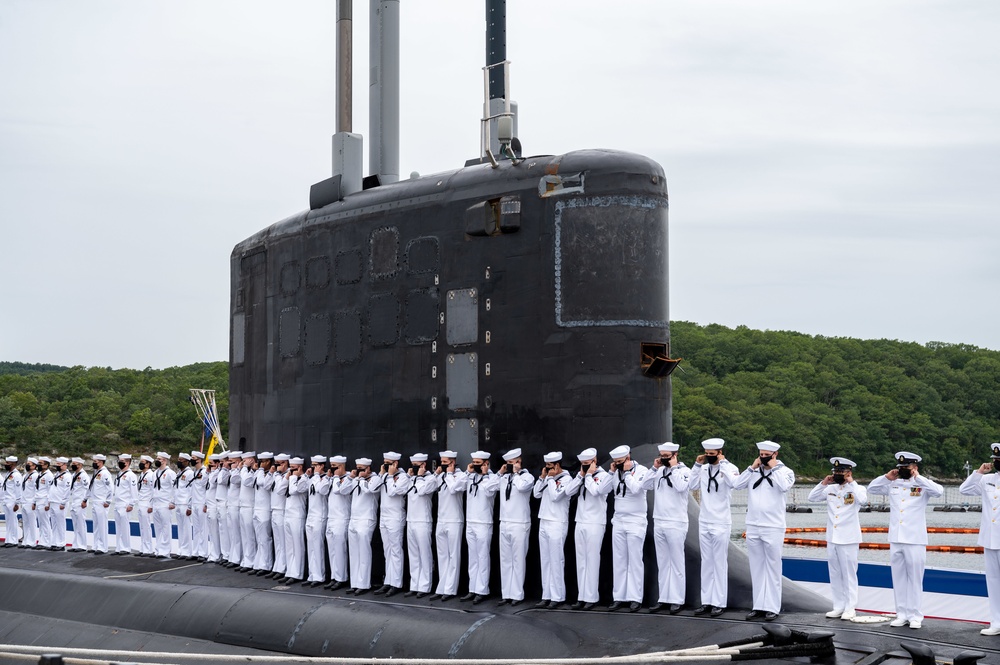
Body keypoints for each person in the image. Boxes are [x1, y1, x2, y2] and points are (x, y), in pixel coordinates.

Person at [868, 451, 943, 629]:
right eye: (900, 467)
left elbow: (939, 491)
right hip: (896, 537)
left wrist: (919, 478)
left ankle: (915, 615)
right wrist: (886, 477)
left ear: (914, 468)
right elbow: (871, 489)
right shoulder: (893, 484)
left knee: (915, 579)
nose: (902, 470)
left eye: (906, 467)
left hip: (915, 539)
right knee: (899, 577)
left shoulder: (922, 485)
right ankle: (901, 613)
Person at [733, 441, 795, 621]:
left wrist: (773, 468)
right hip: (753, 525)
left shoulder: (785, 472)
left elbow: (784, 486)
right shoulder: (754, 471)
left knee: (773, 567)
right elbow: (737, 485)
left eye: (767, 454)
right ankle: (758, 605)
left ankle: (772, 607)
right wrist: (752, 467)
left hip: (773, 526)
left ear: (774, 455)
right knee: (757, 567)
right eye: (761, 454)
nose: (763, 457)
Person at [808, 457, 867, 621]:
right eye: (836, 472)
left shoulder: (857, 489)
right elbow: (812, 498)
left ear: (849, 472)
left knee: (849, 574)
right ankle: (839, 606)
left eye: (841, 472)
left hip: (848, 538)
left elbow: (863, 500)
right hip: (832, 537)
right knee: (835, 573)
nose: (837, 474)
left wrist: (852, 483)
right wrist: (823, 482)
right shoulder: (830, 489)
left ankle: (850, 607)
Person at [688, 438, 740, 617]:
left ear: (720, 452)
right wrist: (696, 465)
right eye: (707, 454)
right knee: (707, 563)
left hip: (721, 521)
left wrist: (723, 463)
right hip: (705, 520)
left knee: (719, 563)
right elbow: (691, 485)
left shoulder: (729, 468)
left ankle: (719, 602)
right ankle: (707, 601)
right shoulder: (703, 469)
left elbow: (735, 484)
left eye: (712, 454)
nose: (709, 457)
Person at [640, 442, 691, 613]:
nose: (663, 459)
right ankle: (664, 598)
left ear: (675, 455)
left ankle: (677, 599)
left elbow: (681, 487)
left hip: (676, 521)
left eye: (666, 456)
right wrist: (654, 469)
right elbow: (644, 486)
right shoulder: (659, 471)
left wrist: (674, 468)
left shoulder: (684, 471)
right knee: (663, 562)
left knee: (676, 562)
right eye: (662, 456)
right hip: (660, 520)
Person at [960, 443, 1000, 636]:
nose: (996, 462)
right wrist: (978, 472)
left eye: (998, 460)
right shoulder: (988, 479)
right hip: (990, 538)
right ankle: (996, 622)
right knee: (993, 582)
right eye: (995, 460)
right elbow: (964, 490)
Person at [565, 448, 612, 610]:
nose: (585, 467)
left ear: (595, 461)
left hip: (595, 522)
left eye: (587, 464)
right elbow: (568, 491)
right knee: (581, 561)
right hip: (581, 521)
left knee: (592, 560)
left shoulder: (605, 476)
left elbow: (596, 491)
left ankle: (591, 597)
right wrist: (581, 476)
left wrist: (590, 475)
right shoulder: (583, 476)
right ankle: (582, 596)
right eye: (583, 464)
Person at [607, 445, 648, 612]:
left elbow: (637, 489)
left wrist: (628, 473)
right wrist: (612, 473)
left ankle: (635, 598)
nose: (617, 464)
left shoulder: (641, 471)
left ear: (628, 458)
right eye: (615, 462)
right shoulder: (615, 472)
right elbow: (602, 490)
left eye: (620, 462)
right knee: (619, 560)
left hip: (636, 521)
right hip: (619, 520)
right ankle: (619, 596)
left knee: (635, 560)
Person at [534, 451, 574, 609]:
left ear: (557, 465)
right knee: (545, 560)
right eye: (546, 466)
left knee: (556, 560)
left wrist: (550, 479)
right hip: (544, 520)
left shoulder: (567, 479)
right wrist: (543, 477)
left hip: (557, 522)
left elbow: (556, 496)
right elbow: (536, 494)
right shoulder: (548, 478)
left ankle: (557, 596)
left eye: (550, 466)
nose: (547, 468)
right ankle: (546, 595)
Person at [497, 448, 534, 606]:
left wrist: (517, 473)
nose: (510, 466)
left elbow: (521, 488)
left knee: (518, 560)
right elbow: (489, 488)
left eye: (513, 463)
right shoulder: (504, 478)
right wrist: (500, 473)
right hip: (504, 522)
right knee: (505, 560)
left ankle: (517, 594)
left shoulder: (527, 477)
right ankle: (507, 593)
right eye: (508, 464)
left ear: (519, 462)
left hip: (519, 522)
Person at [429, 450, 466, 601]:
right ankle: (442, 586)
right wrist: (436, 474)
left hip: (454, 519)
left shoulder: (461, 476)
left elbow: (453, 489)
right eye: (441, 462)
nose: (441, 465)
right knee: (442, 555)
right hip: (442, 519)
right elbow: (427, 488)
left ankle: (450, 589)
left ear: (452, 462)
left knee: (453, 555)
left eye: (444, 462)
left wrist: (449, 474)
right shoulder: (441, 476)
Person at [463, 450, 499, 604]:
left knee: (483, 557)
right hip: (470, 521)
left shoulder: (492, 479)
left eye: (478, 463)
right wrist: (467, 471)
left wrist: (485, 474)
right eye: (474, 463)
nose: (475, 466)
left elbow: (489, 492)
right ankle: (473, 588)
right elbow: (456, 486)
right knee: (473, 558)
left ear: (486, 463)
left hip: (484, 522)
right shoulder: (470, 477)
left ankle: (482, 589)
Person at [374, 451, 407, 596]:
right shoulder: (384, 477)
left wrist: (391, 476)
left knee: (396, 551)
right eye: (384, 462)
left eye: (388, 463)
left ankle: (396, 583)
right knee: (387, 551)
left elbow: (393, 492)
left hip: (395, 517)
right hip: (384, 517)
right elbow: (373, 489)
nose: (385, 465)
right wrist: (382, 475)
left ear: (395, 464)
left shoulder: (403, 477)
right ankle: (388, 580)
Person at [345, 457, 380, 594]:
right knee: (354, 553)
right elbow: (343, 491)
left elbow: (369, 490)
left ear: (368, 468)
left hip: (366, 519)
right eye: (358, 468)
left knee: (364, 552)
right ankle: (355, 582)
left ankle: (364, 583)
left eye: (362, 468)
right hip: (354, 518)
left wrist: (362, 478)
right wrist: (352, 478)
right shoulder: (355, 479)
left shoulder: (375, 479)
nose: (359, 471)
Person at [404, 453, 436, 597]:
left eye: (417, 466)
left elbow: (422, 491)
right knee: (414, 555)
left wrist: (418, 477)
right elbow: (401, 490)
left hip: (423, 520)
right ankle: (414, 584)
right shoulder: (411, 478)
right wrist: (409, 476)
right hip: (411, 519)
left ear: (423, 465)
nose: (414, 468)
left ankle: (424, 586)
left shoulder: (431, 479)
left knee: (424, 554)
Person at [324, 455, 352, 589]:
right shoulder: (332, 479)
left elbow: (337, 491)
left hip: (341, 518)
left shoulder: (347, 479)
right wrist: (329, 477)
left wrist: (335, 477)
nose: (332, 469)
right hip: (331, 517)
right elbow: (322, 490)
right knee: (332, 550)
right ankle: (334, 576)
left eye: (334, 466)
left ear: (341, 467)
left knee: (340, 550)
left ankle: (341, 577)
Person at [281, 457, 309, 584]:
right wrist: (287, 477)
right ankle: (290, 571)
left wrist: (293, 477)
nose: (290, 470)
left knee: (298, 545)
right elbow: (280, 490)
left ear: (299, 467)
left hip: (297, 515)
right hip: (288, 514)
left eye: (293, 468)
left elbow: (293, 490)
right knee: (290, 546)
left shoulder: (304, 480)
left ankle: (297, 573)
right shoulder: (290, 478)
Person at [304, 455, 331, 586]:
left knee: (317, 546)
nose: (312, 468)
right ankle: (312, 574)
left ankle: (319, 576)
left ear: (321, 466)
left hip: (320, 516)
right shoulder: (313, 478)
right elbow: (300, 488)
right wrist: (306, 475)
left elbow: (321, 490)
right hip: (311, 515)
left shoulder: (326, 478)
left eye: (315, 465)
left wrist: (316, 475)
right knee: (311, 547)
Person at [250, 452, 275, 574]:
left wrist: (259, 470)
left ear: (269, 462)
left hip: (265, 509)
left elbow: (262, 484)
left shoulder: (270, 474)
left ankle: (266, 565)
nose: (261, 464)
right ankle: (259, 563)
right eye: (260, 462)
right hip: (257, 508)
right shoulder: (259, 473)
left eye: (263, 462)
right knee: (259, 538)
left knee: (265, 538)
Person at [268, 453, 290, 579]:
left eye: (279, 464)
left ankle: (283, 568)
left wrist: (284, 475)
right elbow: (266, 485)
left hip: (282, 510)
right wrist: (272, 473)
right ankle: (278, 566)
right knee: (277, 542)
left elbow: (281, 490)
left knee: (283, 541)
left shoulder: (288, 476)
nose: (276, 466)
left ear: (285, 463)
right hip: (274, 509)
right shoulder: (276, 475)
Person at [150, 452, 176, 558]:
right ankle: (158, 549)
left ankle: (165, 551)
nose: (157, 460)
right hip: (156, 503)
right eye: (157, 458)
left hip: (165, 503)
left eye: (159, 459)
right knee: (158, 527)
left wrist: (173, 501)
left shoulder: (170, 473)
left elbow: (175, 488)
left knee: (166, 527)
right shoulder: (154, 473)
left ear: (164, 460)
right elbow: (152, 489)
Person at [85, 454, 112, 554]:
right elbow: (91, 487)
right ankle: (95, 545)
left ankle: (103, 547)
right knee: (96, 525)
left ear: (100, 462)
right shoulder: (96, 472)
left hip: (102, 502)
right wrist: (85, 498)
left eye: (95, 461)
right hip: (95, 501)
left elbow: (110, 488)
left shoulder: (105, 473)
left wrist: (108, 500)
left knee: (102, 525)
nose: (94, 463)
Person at [112, 454, 138, 555]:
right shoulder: (119, 473)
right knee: (118, 527)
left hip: (125, 504)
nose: (119, 462)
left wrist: (131, 504)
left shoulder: (131, 475)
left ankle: (125, 548)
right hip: (118, 503)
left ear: (127, 462)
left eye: (122, 461)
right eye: (119, 460)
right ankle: (118, 547)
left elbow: (134, 491)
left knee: (124, 527)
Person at [237, 451, 258, 571]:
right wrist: (242, 468)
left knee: (250, 536)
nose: (243, 463)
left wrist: (244, 468)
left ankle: (251, 561)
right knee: (245, 535)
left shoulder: (253, 472)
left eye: (245, 461)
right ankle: (246, 559)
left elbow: (246, 481)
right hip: (243, 506)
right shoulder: (245, 471)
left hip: (250, 506)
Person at [173, 453, 196, 558]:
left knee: (186, 528)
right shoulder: (179, 473)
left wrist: (189, 506)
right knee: (180, 528)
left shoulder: (190, 473)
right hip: (178, 503)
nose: (179, 461)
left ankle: (187, 551)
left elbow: (192, 491)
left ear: (187, 462)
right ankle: (181, 549)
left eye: (181, 460)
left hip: (185, 503)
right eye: (179, 459)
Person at [224, 449, 243, 567]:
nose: (230, 465)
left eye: (233, 463)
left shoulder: (239, 473)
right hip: (230, 505)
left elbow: (236, 481)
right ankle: (232, 556)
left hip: (237, 505)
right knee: (231, 533)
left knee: (237, 533)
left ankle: (237, 558)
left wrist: (238, 468)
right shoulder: (232, 472)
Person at [47, 457, 71, 551]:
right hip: (53, 501)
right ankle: (54, 542)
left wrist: (63, 502)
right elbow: (52, 488)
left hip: (60, 502)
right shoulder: (56, 474)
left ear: (64, 465)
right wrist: (49, 500)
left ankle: (61, 543)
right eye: (56, 464)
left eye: (59, 465)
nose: (57, 466)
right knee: (54, 523)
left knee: (60, 524)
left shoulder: (67, 476)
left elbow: (67, 490)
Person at [66, 457, 89, 552]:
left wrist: (85, 500)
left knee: (81, 524)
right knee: (75, 525)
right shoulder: (73, 475)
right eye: (72, 464)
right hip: (74, 502)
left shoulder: (84, 476)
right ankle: (76, 544)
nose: (72, 465)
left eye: (75, 464)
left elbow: (88, 488)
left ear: (80, 465)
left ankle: (82, 545)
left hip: (80, 502)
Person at [190, 451, 209, 561]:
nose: (192, 460)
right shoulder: (194, 472)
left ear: (199, 460)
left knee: (203, 529)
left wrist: (206, 503)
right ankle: (196, 551)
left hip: (201, 503)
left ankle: (203, 553)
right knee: (196, 529)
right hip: (194, 503)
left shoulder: (205, 471)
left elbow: (206, 489)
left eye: (194, 458)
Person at [135, 455, 156, 557]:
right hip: (141, 502)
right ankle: (143, 548)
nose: (141, 464)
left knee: (146, 527)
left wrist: (151, 505)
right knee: (142, 527)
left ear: (148, 464)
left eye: (143, 462)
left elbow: (153, 491)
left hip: (147, 503)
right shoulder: (142, 475)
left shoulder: (150, 475)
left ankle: (148, 549)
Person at [2, 456, 22, 547]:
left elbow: (18, 490)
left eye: (8, 463)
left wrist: (17, 503)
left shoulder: (16, 475)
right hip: (6, 500)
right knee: (8, 521)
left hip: (12, 500)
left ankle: (13, 540)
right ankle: (8, 540)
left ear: (13, 464)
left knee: (13, 521)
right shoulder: (8, 474)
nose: (6, 464)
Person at [19, 457, 39, 548]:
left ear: (34, 466)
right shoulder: (25, 475)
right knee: (25, 522)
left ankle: (32, 541)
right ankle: (26, 540)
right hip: (24, 501)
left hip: (31, 501)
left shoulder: (35, 476)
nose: (27, 465)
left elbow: (36, 490)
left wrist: (34, 502)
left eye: (29, 464)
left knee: (32, 522)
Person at [35, 457, 54, 549]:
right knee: (41, 522)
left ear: (46, 465)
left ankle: (47, 542)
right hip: (38, 500)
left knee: (45, 522)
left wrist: (48, 503)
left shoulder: (49, 475)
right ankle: (42, 541)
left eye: (41, 463)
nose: (39, 465)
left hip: (44, 500)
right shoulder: (40, 474)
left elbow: (50, 490)